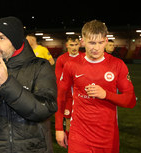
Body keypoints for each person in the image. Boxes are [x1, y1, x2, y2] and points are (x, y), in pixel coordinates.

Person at [0, 16, 57, 153]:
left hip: (33, 149)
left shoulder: (40, 67)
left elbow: (44, 110)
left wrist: (7, 83)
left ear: (16, 41)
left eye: (1, 38)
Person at [56, 20, 136, 153]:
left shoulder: (118, 65)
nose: (96, 48)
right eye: (92, 43)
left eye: (100, 43)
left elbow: (131, 101)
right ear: (83, 41)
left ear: (106, 41)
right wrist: (59, 128)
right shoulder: (72, 65)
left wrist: (106, 95)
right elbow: (61, 96)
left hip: (107, 137)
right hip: (79, 135)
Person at [55, 34, 82, 139]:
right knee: (68, 118)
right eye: (71, 45)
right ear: (67, 45)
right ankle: (69, 140)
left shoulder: (84, 57)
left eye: (76, 44)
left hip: (82, 95)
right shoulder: (62, 59)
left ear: (79, 44)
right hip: (68, 95)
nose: (74, 47)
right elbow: (59, 79)